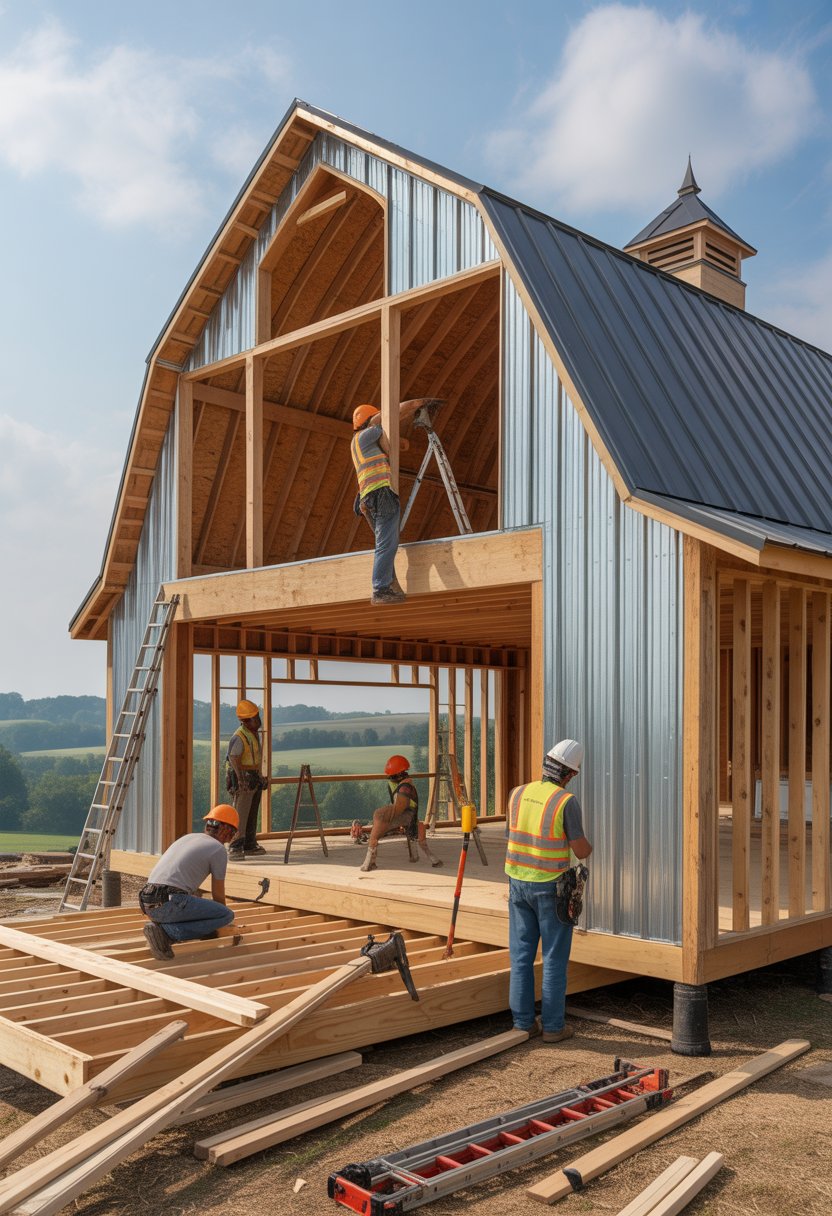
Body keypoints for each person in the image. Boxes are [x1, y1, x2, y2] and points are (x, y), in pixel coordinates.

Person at [504, 739, 592, 1043]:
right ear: (570, 774)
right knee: (554, 957)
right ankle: (554, 1028)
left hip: (517, 884)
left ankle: (523, 1024)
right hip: (550, 887)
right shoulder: (565, 802)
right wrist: (590, 847)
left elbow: (512, 835)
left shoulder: (517, 794)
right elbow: (580, 850)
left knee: (521, 955)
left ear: (546, 764)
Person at [139, 805, 238, 961]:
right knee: (226, 914)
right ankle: (166, 933)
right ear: (228, 831)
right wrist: (221, 923)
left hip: (147, 902)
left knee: (196, 908)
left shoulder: (188, 837)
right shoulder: (218, 849)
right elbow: (218, 894)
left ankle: (159, 927)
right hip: (170, 902)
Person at [351, 404, 406, 606]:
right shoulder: (367, 435)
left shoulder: (358, 442)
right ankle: (381, 588)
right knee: (386, 544)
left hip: (368, 498)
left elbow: (401, 445)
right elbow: (389, 416)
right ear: (368, 421)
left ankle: (388, 585)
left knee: (385, 543)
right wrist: (418, 404)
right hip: (381, 494)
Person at [353, 754, 442, 872]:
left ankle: (369, 862)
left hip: (407, 815)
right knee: (378, 823)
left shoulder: (405, 786)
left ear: (398, 773)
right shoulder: (401, 784)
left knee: (378, 818)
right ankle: (371, 860)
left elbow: (400, 807)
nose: (390, 777)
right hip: (404, 814)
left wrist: (384, 815)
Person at [225, 698, 268, 859]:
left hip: (252, 777)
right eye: (255, 719)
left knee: (252, 812)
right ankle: (235, 846)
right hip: (242, 778)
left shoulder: (252, 734)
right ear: (245, 721)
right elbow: (234, 757)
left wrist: (260, 776)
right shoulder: (239, 736)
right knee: (240, 813)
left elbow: (254, 759)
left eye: (258, 717)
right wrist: (240, 779)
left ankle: (249, 843)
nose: (258, 722)